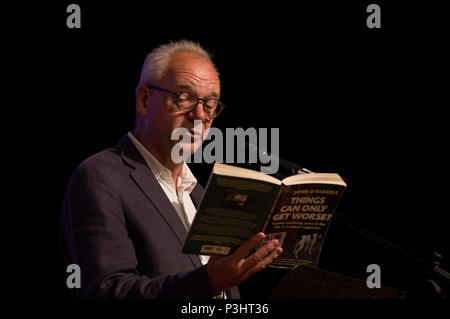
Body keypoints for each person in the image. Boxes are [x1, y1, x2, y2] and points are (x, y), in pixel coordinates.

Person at [60, 40, 283, 299]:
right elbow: (106, 291)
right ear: (144, 100)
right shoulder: (100, 177)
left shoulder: (199, 194)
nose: (200, 115)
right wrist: (208, 281)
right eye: (184, 98)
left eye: (210, 105)